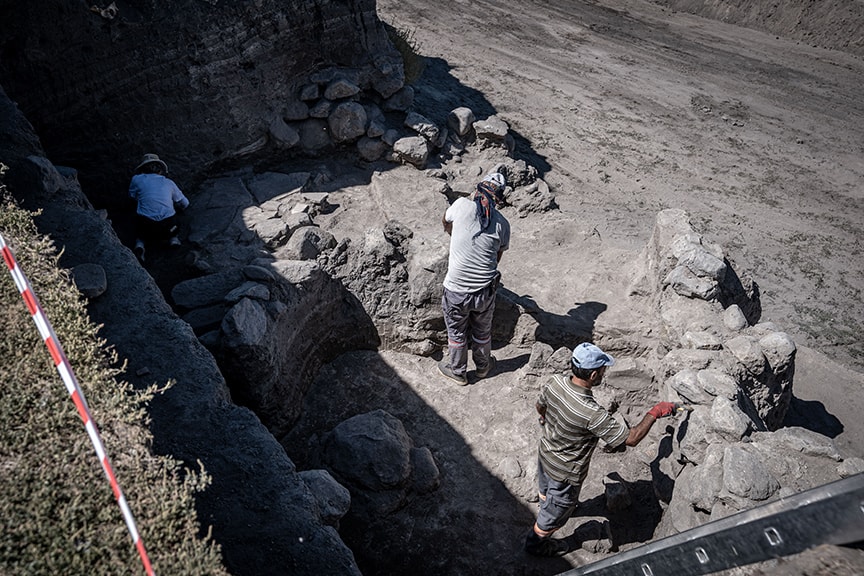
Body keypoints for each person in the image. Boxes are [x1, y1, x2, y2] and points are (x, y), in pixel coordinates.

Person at [525, 342, 677, 557]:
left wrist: (548, 421)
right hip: (566, 473)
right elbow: (631, 439)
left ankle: (546, 503)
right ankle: (536, 543)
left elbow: (541, 407)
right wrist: (655, 412)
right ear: (594, 374)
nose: (605, 374)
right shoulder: (591, 413)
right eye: (603, 370)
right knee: (555, 513)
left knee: (547, 489)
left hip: (546, 454)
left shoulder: (555, 382)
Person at [438, 171, 511, 385]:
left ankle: (457, 370)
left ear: (478, 190)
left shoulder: (461, 205)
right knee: (482, 331)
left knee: (456, 332)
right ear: (498, 198)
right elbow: (497, 257)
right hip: (484, 292)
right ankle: (483, 366)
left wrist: (454, 234)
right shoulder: (502, 224)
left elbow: (445, 220)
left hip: (456, 290)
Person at [128, 153, 189, 262]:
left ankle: (140, 245)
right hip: (168, 226)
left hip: (146, 227)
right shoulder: (168, 182)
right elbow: (185, 203)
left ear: (142, 169)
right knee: (177, 217)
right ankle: (173, 239)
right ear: (160, 170)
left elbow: (132, 197)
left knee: (138, 221)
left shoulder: (136, 179)